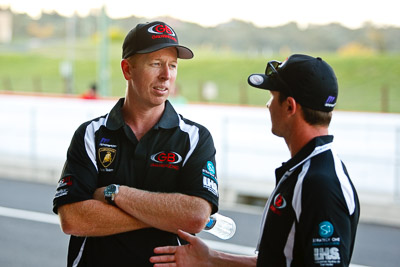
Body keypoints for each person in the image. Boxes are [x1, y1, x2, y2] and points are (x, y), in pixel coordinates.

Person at [150, 54, 360, 267]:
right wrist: (211, 259)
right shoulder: (306, 170)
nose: (268, 106)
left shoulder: (319, 182)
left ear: (290, 106)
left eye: (272, 96)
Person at [52, 21, 219, 267]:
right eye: (155, 64)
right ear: (127, 69)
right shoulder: (90, 134)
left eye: (172, 65)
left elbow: (195, 216)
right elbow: (73, 219)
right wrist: (168, 214)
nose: (166, 75)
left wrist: (116, 193)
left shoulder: (195, 137)